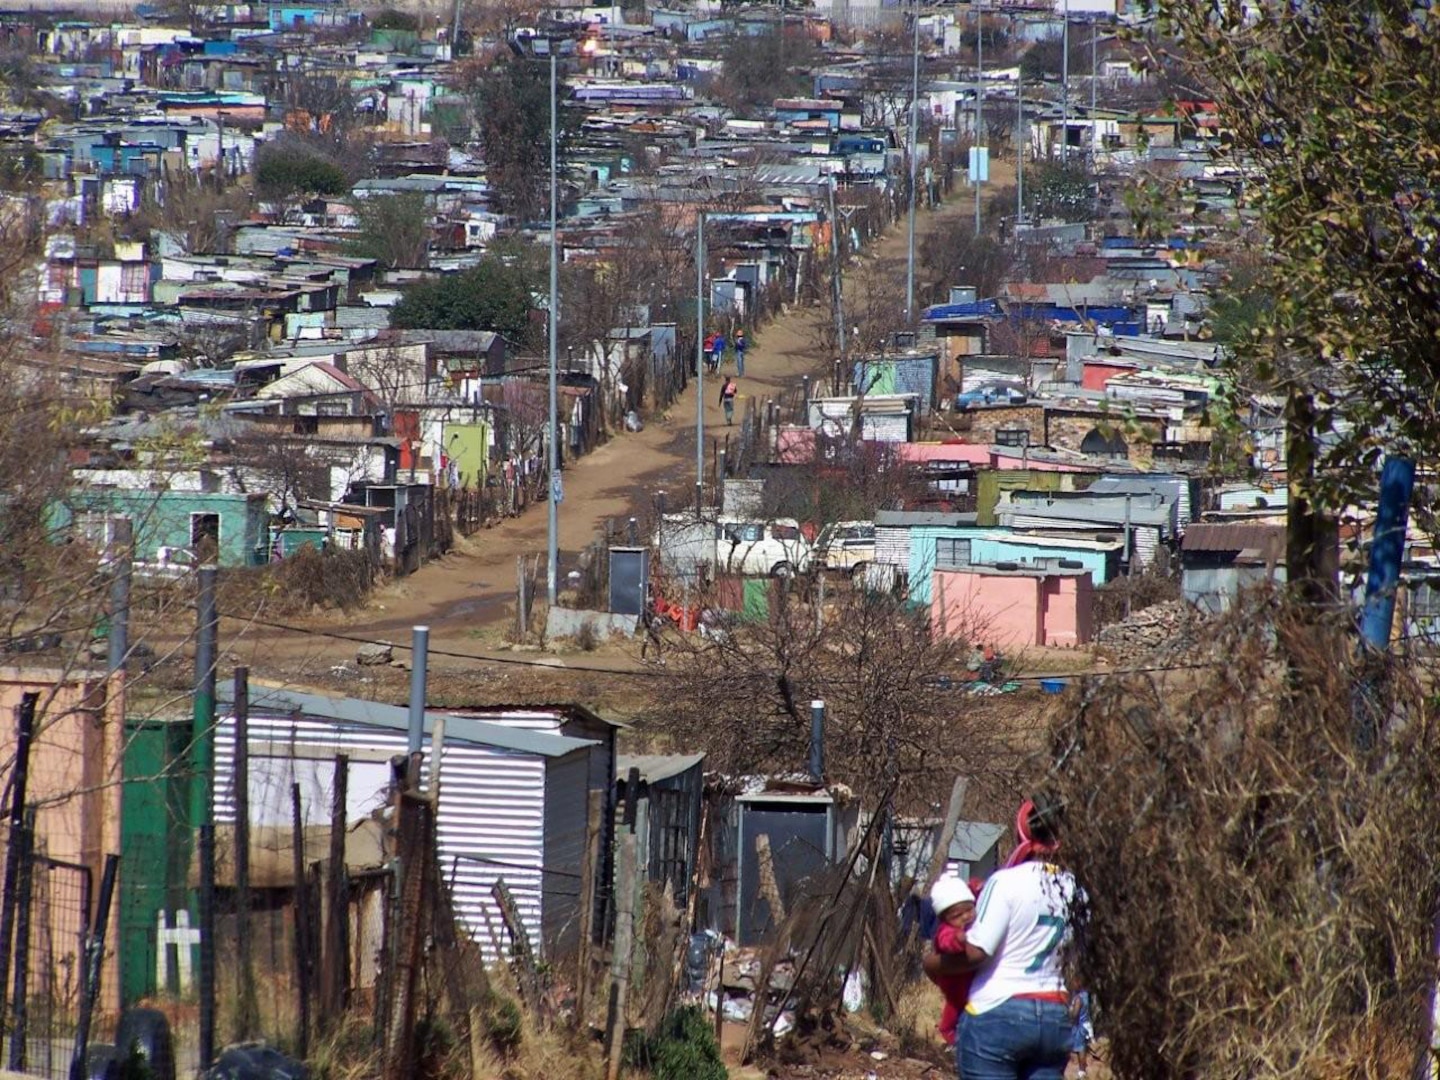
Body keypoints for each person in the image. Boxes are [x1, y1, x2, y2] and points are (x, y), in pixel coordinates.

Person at [923, 796, 1078, 1080]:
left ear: (1022, 831)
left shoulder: (1005, 882)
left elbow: (978, 952)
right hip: (1055, 1014)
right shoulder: (1073, 887)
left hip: (998, 1013)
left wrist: (932, 964)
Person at [928, 875, 977, 1046]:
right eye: (957, 915)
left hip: (971, 979)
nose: (965, 917)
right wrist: (959, 939)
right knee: (954, 1007)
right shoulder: (947, 930)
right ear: (945, 918)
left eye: (969, 910)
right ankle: (947, 1031)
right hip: (955, 982)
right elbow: (945, 941)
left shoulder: (974, 923)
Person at [1069, 988, 1094, 1080]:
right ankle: (1081, 1071)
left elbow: (1075, 1014)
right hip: (1085, 1024)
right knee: (1081, 1047)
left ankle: (1082, 1072)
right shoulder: (1085, 994)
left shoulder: (1079, 998)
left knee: (1080, 1048)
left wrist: (1070, 1012)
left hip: (1080, 1025)